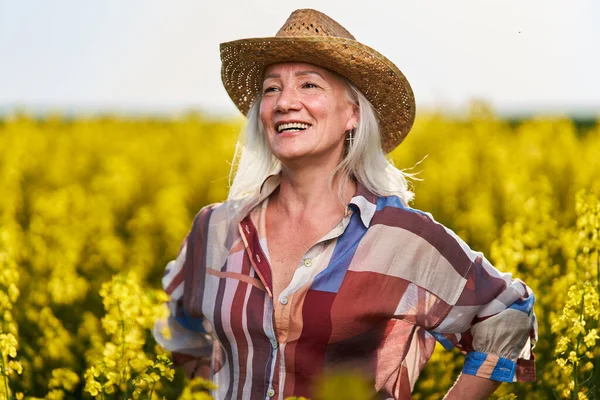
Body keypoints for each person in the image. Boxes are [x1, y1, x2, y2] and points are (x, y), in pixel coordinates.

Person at [153, 9, 537, 400]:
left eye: (309, 86)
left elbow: (508, 311)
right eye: (271, 89)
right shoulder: (216, 228)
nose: (285, 102)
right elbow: (176, 324)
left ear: (352, 114)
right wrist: (211, 387)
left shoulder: (400, 237)